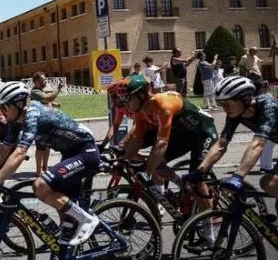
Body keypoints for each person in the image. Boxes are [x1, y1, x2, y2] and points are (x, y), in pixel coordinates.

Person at [0, 81, 100, 260]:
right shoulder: (15, 120)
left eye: (4, 107)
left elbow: (19, 152)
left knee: (40, 186)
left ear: (18, 105)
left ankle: (87, 219)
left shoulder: (33, 114)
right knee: (66, 217)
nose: (1, 111)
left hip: (85, 152)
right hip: (70, 153)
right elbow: (4, 149)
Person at [184, 76, 278, 248]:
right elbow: (221, 144)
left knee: (267, 182)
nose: (224, 108)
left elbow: (258, 144)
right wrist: (200, 171)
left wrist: (238, 176)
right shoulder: (236, 113)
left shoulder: (267, 104)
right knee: (272, 185)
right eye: (221, 104)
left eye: (228, 103)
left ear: (245, 99)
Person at [117, 75, 216, 225]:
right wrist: (122, 162)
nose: (125, 103)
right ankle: (182, 185)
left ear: (142, 95)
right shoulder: (140, 111)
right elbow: (137, 140)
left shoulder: (163, 103)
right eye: (123, 99)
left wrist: (146, 172)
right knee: (157, 166)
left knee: (196, 183)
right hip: (183, 136)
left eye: (127, 99)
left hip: (203, 133)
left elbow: (162, 142)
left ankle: (210, 231)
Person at [30, 72, 64, 177]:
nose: (45, 81)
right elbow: (48, 98)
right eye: (43, 80)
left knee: (47, 147)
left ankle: (45, 167)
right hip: (40, 125)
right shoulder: (35, 92)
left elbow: (45, 101)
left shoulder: (40, 91)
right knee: (40, 148)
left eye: (45, 79)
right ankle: (38, 171)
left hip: (47, 124)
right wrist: (58, 88)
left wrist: (53, 105)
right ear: (36, 82)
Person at [100, 80, 133, 148]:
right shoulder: (120, 108)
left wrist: (123, 143)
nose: (113, 100)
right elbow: (115, 125)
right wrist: (102, 145)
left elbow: (137, 127)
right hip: (143, 129)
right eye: (111, 97)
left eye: (114, 96)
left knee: (128, 146)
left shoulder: (134, 104)